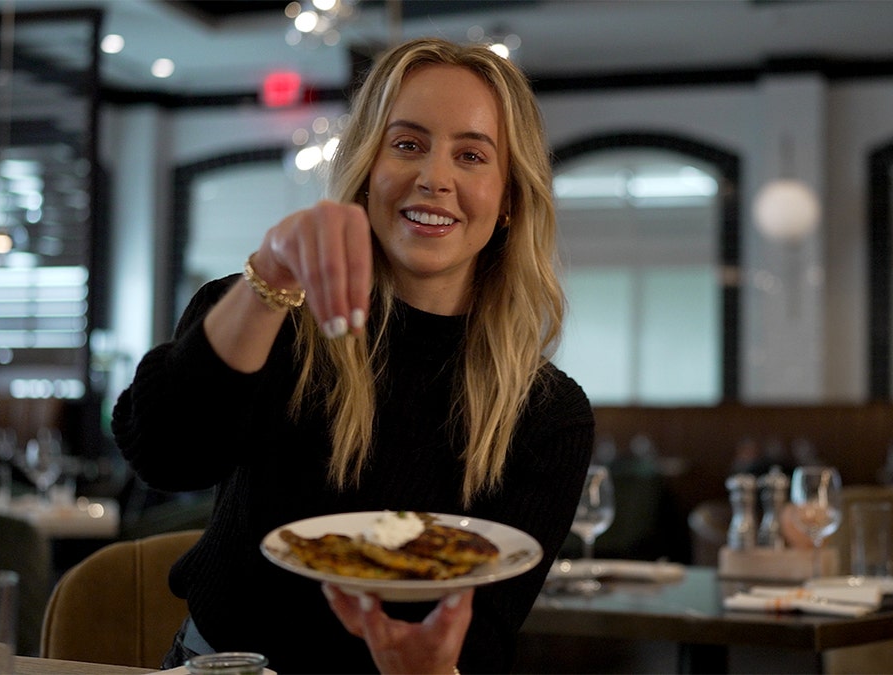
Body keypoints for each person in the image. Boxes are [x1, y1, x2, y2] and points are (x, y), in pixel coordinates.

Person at [112, 37, 594, 674]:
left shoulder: (549, 415)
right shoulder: (266, 309)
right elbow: (164, 457)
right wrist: (270, 277)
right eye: (407, 144)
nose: (434, 177)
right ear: (368, 168)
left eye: (471, 155)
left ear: (508, 201)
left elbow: (485, 635)